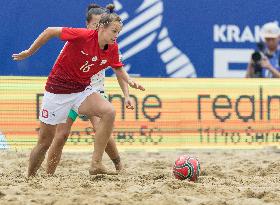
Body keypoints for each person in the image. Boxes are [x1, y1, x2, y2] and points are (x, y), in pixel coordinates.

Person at [12, 4, 145, 177]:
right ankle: (33, 176)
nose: (116, 36)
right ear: (100, 27)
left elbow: (119, 70)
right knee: (48, 141)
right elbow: (50, 31)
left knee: (108, 112)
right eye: (114, 31)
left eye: (118, 32)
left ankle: (97, 164)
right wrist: (29, 52)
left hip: (82, 90)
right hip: (57, 91)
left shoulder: (112, 47)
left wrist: (130, 83)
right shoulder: (81, 36)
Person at [46, 3, 129, 175]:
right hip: (70, 90)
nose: (99, 27)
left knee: (102, 128)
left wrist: (126, 95)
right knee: (61, 135)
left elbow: (119, 71)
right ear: (89, 25)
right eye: (95, 24)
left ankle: (117, 164)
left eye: (102, 23)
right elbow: (58, 66)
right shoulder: (78, 40)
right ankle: (48, 174)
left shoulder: (110, 46)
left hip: (93, 91)